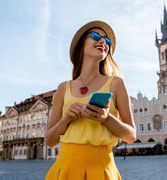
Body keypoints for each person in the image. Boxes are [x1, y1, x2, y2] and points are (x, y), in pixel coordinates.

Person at [45, 20, 136, 180]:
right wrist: (66, 120)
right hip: (64, 169)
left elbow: (130, 135)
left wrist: (106, 118)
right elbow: (50, 141)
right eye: (95, 36)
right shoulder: (62, 88)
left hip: (102, 171)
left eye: (107, 41)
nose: (103, 42)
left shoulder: (116, 83)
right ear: (81, 44)